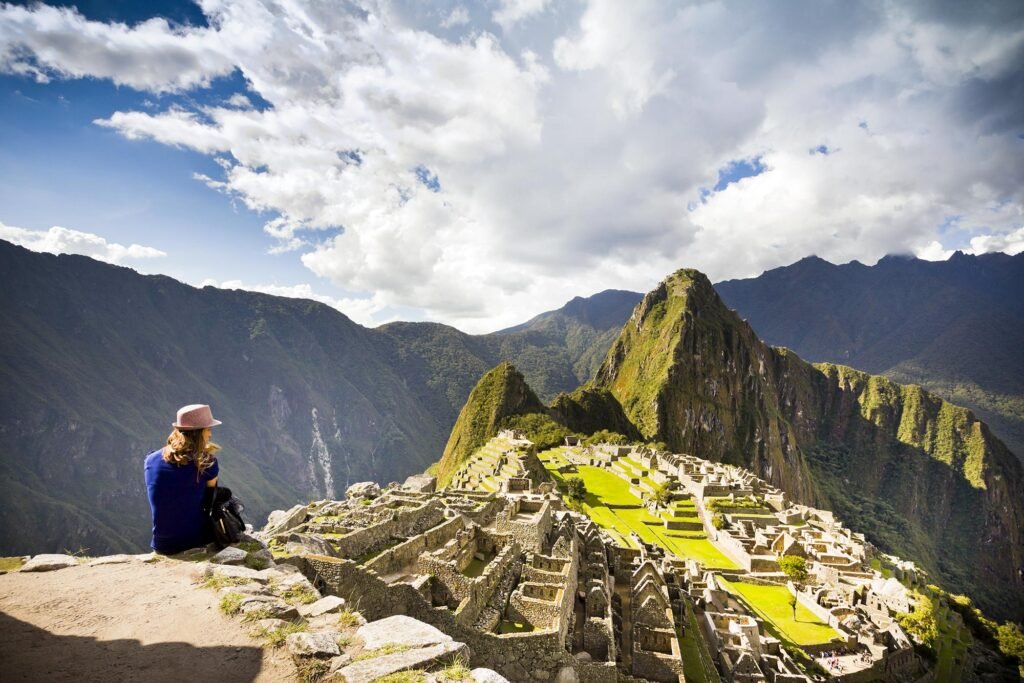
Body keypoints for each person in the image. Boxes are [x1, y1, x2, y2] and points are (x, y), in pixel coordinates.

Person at [144, 404, 222, 554]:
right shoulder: (206, 463)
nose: (210, 435)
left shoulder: (150, 459)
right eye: (208, 430)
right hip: (194, 541)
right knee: (225, 497)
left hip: (161, 543)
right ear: (199, 432)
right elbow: (211, 500)